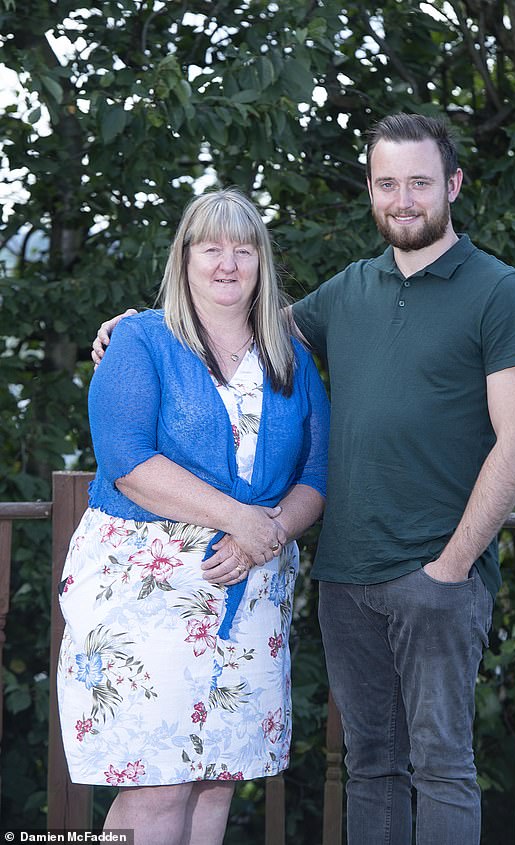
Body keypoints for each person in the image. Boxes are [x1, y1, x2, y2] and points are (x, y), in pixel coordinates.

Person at [92, 114, 515, 845]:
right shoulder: (349, 290)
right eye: (388, 182)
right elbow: (241, 321)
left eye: (420, 183)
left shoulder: (498, 292)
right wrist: (141, 325)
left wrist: (452, 566)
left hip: (437, 569)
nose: (403, 199)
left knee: (442, 768)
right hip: (346, 578)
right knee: (370, 765)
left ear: (453, 186)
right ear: (370, 190)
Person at [58, 187, 329, 845]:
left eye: (243, 249)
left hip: (252, 594)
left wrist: (269, 532)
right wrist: (239, 516)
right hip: (145, 598)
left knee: (215, 782)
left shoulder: (289, 357)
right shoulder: (141, 340)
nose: (227, 263)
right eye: (211, 247)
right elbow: (128, 462)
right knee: (159, 784)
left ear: (262, 262)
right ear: (184, 258)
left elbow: (317, 475)